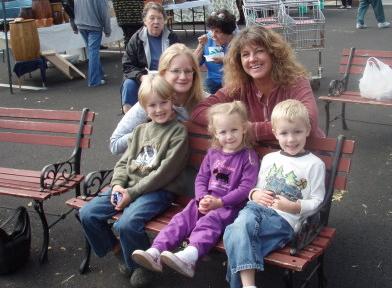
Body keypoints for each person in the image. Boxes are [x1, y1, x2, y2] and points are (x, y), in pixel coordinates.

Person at [79, 75, 189, 288]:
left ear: (172, 100)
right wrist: (118, 185)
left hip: (159, 190)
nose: (159, 109)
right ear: (144, 109)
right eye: (152, 105)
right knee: (88, 213)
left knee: (127, 223)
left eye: (163, 103)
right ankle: (119, 252)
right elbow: (123, 163)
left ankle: (142, 265)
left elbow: (165, 172)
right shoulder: (140, 130)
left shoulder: (178, 131)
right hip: (130, 187)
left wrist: (133, 193)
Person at [131, 100, 259, 279]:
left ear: (244, 128)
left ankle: (190, 255)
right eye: (223, 132)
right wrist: (202, 198)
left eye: (234, 130)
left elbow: (245, 189)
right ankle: (156, 251)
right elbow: (201, 178)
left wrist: (220, 202)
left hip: (230, 207)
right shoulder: (213, 153)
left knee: (210, 222)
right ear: (215, 133)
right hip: (206, 201)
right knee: (181, 220)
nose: (229, 136)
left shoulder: (248, 157)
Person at [223, 99, 326, 288]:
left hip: (285, 220)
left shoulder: (314, 164)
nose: (291, 139)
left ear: (308, 130)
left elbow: (318, 201)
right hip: (256, 209)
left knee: (233, 234)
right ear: (275, 134)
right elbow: (258, 187)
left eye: (297, 132)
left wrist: (294, 206)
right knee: (242, 224)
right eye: (284, 133)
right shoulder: (270, 159)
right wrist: (254, 194)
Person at [191, 25, 324, 146]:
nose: (252, 59)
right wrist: (234, 124)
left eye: (259, 51)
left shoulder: (295, 81)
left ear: (274, 53)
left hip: (303, 159)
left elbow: (309, 120)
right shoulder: (239, 86)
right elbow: (198, 111)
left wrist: (252, 129)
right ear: (239, 61)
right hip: (264, 163)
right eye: (245, 54)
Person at [110, 43, 204, 155]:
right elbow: (115, 145)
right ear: (163, 73)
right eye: (176, 71)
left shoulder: (207, 103)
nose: (183, 77)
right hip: (158, 169)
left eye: (188, 71)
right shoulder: (152, 103)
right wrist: (152, 128)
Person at [121, 2, 181, 113]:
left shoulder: (172, 37)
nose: (156, 22)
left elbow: (181, 59)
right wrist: (141, 77)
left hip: (167, 76)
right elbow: (127, 65)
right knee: (129, 84)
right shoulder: (136, 39)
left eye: (159, 18)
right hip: (145, 76)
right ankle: (129, 118)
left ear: (164, 21)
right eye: (152, 18)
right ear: (145, 21)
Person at [71, 0, 111, 87]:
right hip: (94, 26)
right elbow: (104, 12)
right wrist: (107, 29)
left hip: (81, 24)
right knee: (93, 52)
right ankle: (94, 80)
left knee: (91, 51)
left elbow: (70, 9)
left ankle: (99, 73)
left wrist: (73, 25)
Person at [194, 9, 238, 94]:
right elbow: (193, 64)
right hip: (213, 82)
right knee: (202, 92)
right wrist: (201, 46)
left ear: (230, 33)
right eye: (211, 30)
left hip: (236, 81)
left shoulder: (240, 40)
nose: (213, 35)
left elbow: (245, 64)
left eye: (217, 31)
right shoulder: (208, 38)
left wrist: (225, 60)